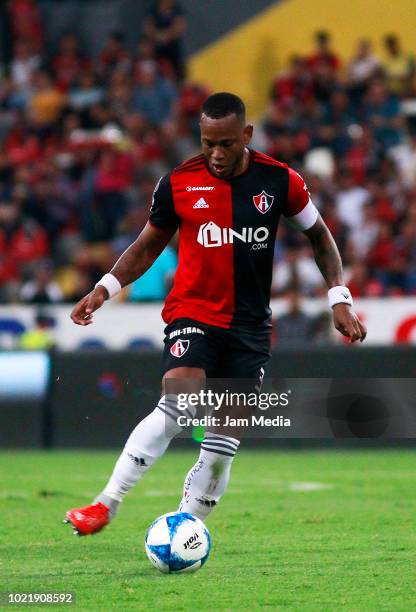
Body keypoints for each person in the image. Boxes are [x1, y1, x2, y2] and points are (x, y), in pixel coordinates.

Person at [64, 92, 366, 536]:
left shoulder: (281, 181)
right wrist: (104, 287)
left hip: (248, 325)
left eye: (226, 143)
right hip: (193, 311)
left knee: (223, 444)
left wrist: (339, 297)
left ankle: (185, 529)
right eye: (208, 143)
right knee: (180, 401)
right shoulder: (178, 182)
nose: (216, 154)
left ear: (246, 134)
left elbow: (320, 237)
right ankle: (105, 504)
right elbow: (148, 244)